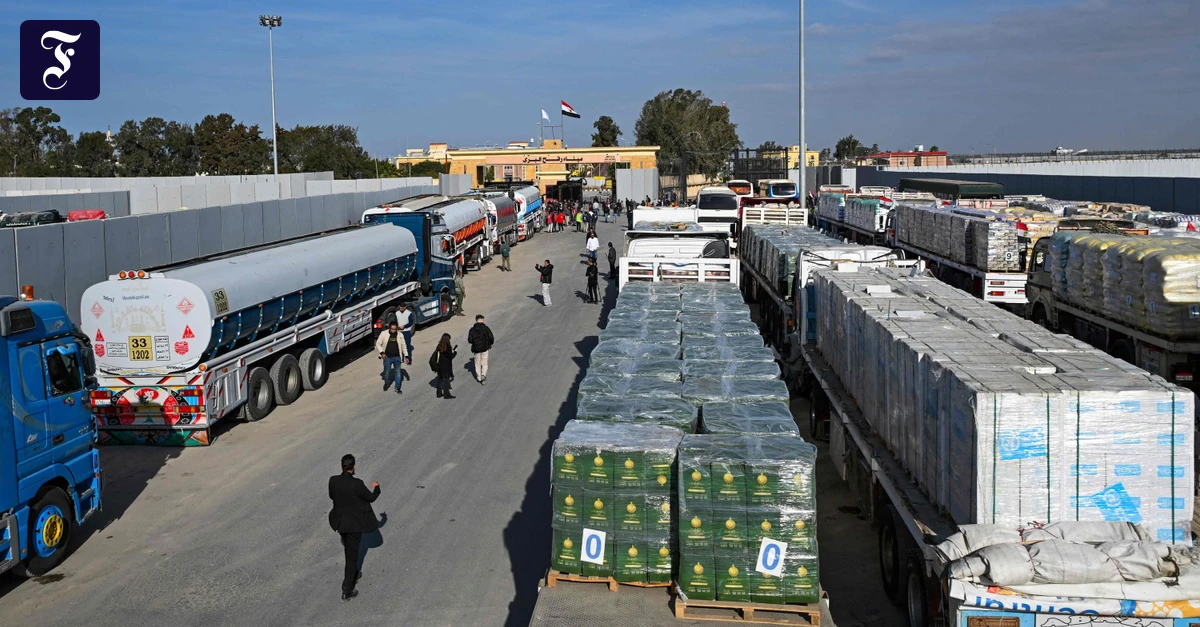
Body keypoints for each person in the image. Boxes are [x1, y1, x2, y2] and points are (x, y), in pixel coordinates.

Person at [328, 454, 380, 602]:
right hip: (353, 526)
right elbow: (371, 498)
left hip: (340, 523)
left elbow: (332, 496)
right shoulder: (357, 484)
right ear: (354, 467)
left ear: (342, 466)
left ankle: (354, 574)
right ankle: (347, 590)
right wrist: (376, 488)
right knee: (351, 558)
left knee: (350, 551)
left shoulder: (333, 480)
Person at [374, 320, 410, 394]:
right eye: (392, 329)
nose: (393, 331)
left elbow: (404, 346)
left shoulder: (400, 335)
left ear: (397, 328)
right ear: (389, 328)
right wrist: (382, 353)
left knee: (398, 372)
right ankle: (386, 383)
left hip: (397, 357)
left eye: (395, 329)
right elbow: (378, 343)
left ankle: (397, 388)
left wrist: (406, 356)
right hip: (387, 357)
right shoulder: (384, 334)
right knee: (387, 372)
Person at [467, 314, 495, 385]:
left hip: (476, 349)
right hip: (485, 348)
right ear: (481, 319)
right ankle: (483, 375)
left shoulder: (472, 330)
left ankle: (479, 378)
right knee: (485, 363)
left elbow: (470, 340)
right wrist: (490, 344)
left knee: (477, 364)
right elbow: (491, 337)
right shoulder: (485, 328)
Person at [429, 333, 457, 399]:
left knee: (440, 379)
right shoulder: (448, 347)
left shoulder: (439, 346)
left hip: (439, 366)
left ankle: (439, 393)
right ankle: (447, 395)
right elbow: (451, 356)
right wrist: (455, 352)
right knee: (446, 381)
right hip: (446, 366)